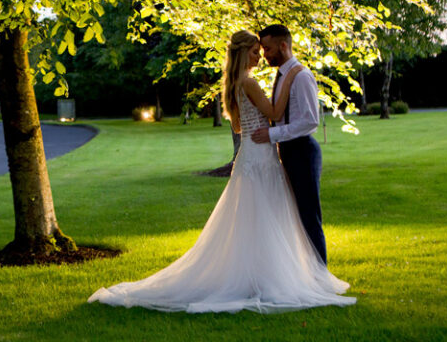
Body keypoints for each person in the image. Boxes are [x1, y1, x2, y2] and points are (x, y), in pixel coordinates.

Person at [88, 30, 355, 314]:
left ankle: (267, 275)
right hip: (260, 157)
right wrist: (289, 78)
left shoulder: (236, 84)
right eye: (255, 51)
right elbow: (276, 114)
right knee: (268, 216)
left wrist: (272, 109)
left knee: (259, 219)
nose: (259, 56)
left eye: (261, 50)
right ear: (243, 53)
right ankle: (274, 278)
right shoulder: (252, 82)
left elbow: (240, 127)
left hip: (252, 155)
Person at [251, 24, 327, 264]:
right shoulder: (283, 74)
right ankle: (305, 271)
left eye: (268, 48)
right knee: (294, 215)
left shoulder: (301, 76)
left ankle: (320, 273)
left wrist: (272, 134)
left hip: (302, 151)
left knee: (308, 215)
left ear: (283, 45)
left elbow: (310, 121)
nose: (264, 54)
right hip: (289, 151)